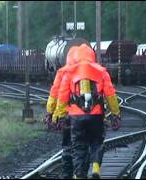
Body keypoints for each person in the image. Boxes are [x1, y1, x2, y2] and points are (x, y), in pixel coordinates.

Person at [52, 44, 121, 179]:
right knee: (96, 142)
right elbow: (111, 95)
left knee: (78, 147)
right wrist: (115, 113)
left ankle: (78, 175)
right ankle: (95, 168)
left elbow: (62, 96)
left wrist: (58, 116)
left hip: (76, 116)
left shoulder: (70, 72)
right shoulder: (101, 71)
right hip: (96, 115)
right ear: (92, 56)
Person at [45, 40, 91, 179]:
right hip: (86, 117)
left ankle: (68, 175)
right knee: (83, 147)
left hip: (68, 118)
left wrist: (53, 115)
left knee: (67, 148)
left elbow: (57, 95)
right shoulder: (90, 72)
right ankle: (81, 174)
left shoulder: (63, 73)